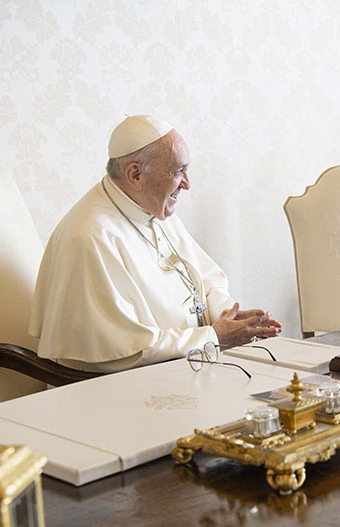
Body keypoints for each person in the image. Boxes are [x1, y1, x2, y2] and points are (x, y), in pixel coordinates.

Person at [29, 115, 282, 373]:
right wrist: (215, 336)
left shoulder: (151, 209)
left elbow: (205, 281)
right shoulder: (89, 237)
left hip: (184, 368)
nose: (186, 183)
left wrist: (226, 314)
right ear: (135, 174)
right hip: (116, 391)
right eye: (177, 171)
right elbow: (123, 350)